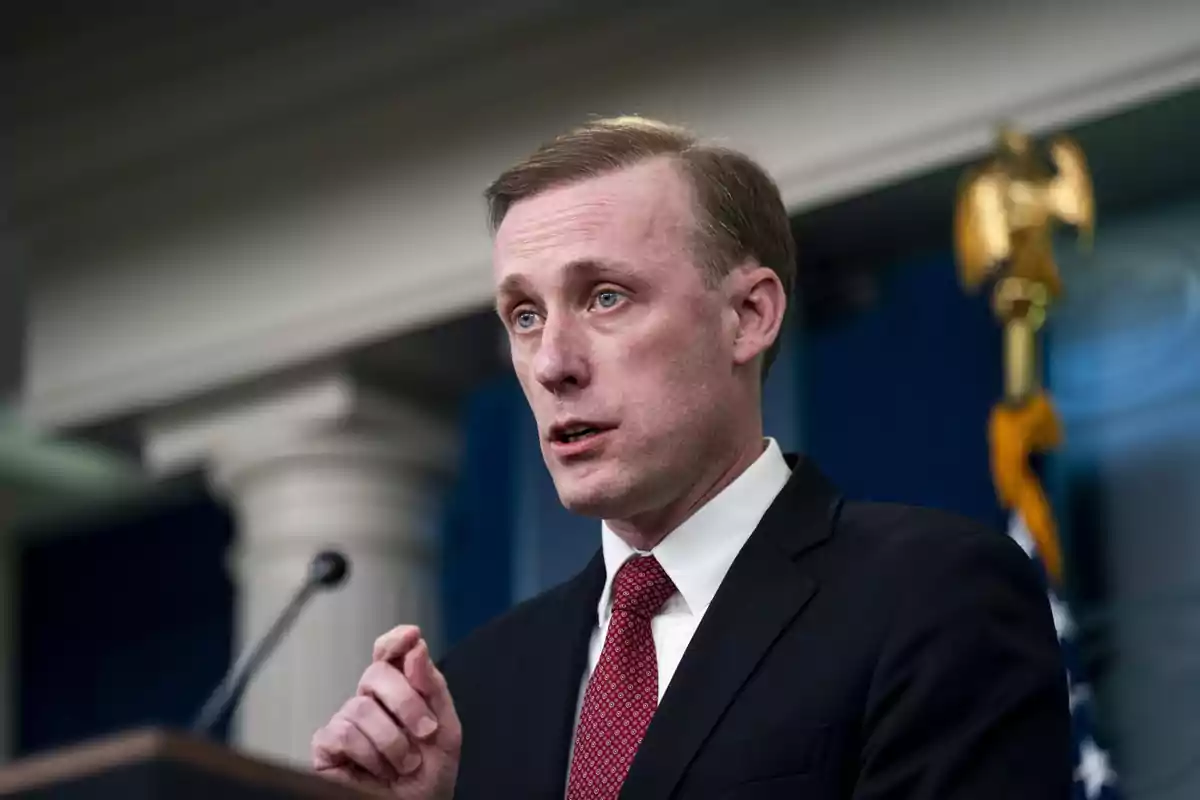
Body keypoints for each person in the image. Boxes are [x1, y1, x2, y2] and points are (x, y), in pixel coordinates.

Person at [310, 117, 1072, 799]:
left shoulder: (932, 596)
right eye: (526, 315)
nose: (551, 364)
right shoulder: (477, 691)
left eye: (606, 297)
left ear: (748, 316)